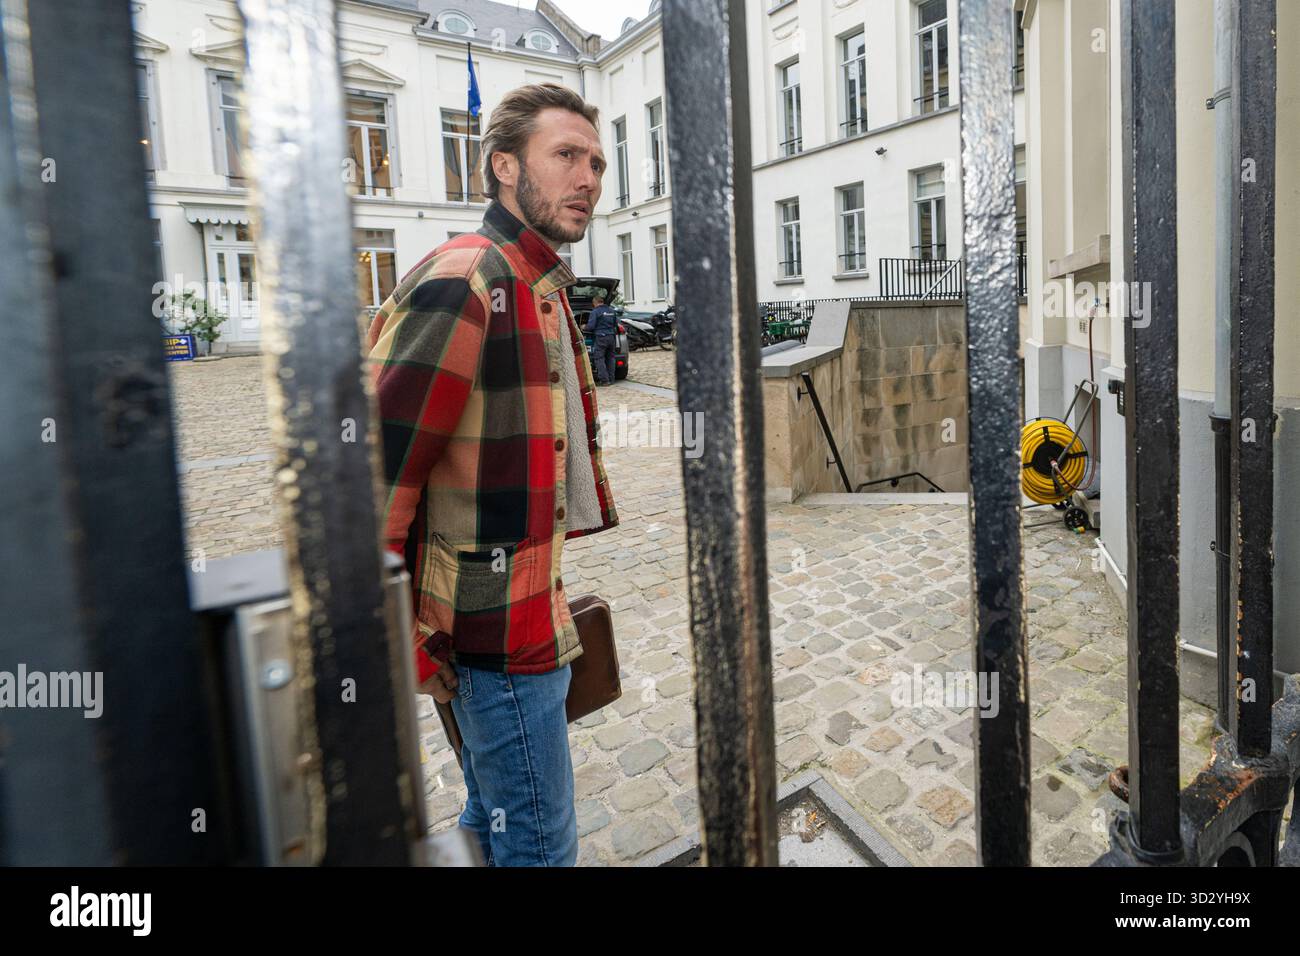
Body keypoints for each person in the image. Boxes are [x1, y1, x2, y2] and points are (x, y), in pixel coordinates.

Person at [364, 83, 618, 867]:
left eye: (598, 163)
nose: (589, 179)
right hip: (490, 637)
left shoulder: (537, 285)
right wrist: (404, 637)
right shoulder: (469, 279)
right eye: (566, 157)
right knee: (540, 847)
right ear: (504, 167)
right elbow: (374, 472)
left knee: (491, 823)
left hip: (523, 615)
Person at [584, 294, 619, 385]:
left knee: (599, 358)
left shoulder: (595, 312)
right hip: (611, 337)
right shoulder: (611, 311)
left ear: (595, 302)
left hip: (601, 337)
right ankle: (611, 379)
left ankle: (604, 380)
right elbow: (615, 324)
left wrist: (584, 327)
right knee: (610, 358)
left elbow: (590, 326)